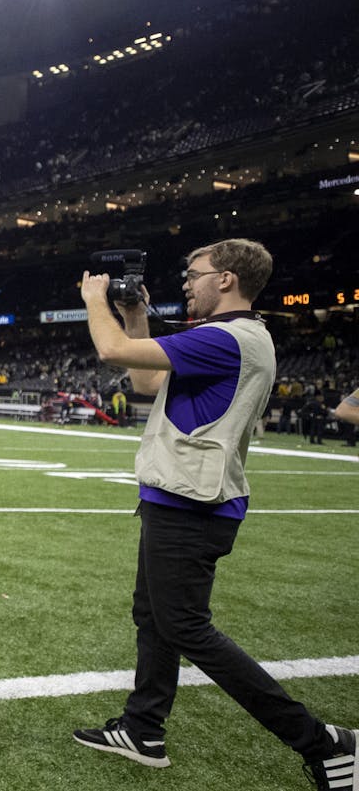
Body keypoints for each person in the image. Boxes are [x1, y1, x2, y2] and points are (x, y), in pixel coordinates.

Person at [72, 238, 355, 788]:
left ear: (226, 279)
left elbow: (111, 353)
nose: (186, 282)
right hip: (177, 496)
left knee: (186, 628)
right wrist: (135, 314)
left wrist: (96, 301)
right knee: (154, 618)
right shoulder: (228, 337)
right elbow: (147, 384)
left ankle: (323, 745)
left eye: (194, 273)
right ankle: (143, 729)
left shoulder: (228, 338)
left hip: (191, 505)